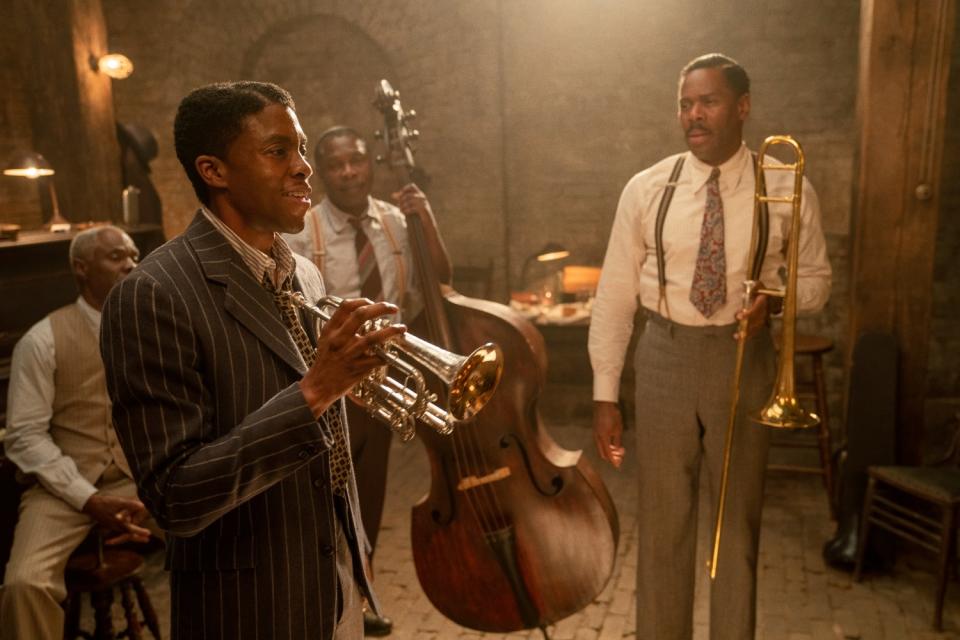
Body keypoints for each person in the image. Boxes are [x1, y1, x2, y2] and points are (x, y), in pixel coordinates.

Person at [100, 81, 404, 640]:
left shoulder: (305, 275)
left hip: (334, 584)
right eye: (278, 151)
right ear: (213, 171)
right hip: (250, 604)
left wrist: (351, 381)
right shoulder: (152, 293)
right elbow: (175, 497)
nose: (304, 168)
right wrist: (315, 391)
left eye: (303, 148)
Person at [588, 53, 831, 639]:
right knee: (664, 529)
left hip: (743, 360)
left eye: (708, 102)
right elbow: (615, 294)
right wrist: (606, 393)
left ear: (742, 107)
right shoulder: (647, 188)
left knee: (736, 530)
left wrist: (773, 299)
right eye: (685, 104)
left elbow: (818, 283)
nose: (693, 116)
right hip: (665, 357)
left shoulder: (786, 186)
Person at [284, 126, 451, 637]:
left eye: (357, 161)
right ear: (323, 170)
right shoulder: (301, 229)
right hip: (328, 377)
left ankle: (362, 592)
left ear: (370, 163)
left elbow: (437, 279)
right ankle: (320, 597)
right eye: (336, 165)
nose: (349, 172)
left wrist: (427, 221)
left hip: (381, 380)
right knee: (325, 491)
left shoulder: (396, 220)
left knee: (367, 492)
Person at [1, 225, 150, 640]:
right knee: (24, 584)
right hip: (69, 487)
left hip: (145, 480)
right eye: (116, 257)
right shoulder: (41, 339)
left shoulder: (155, 327)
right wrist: (87, 499)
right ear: (81, 268)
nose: (131, 265)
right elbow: (24, 438)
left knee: (234, 536)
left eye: (134, 254)